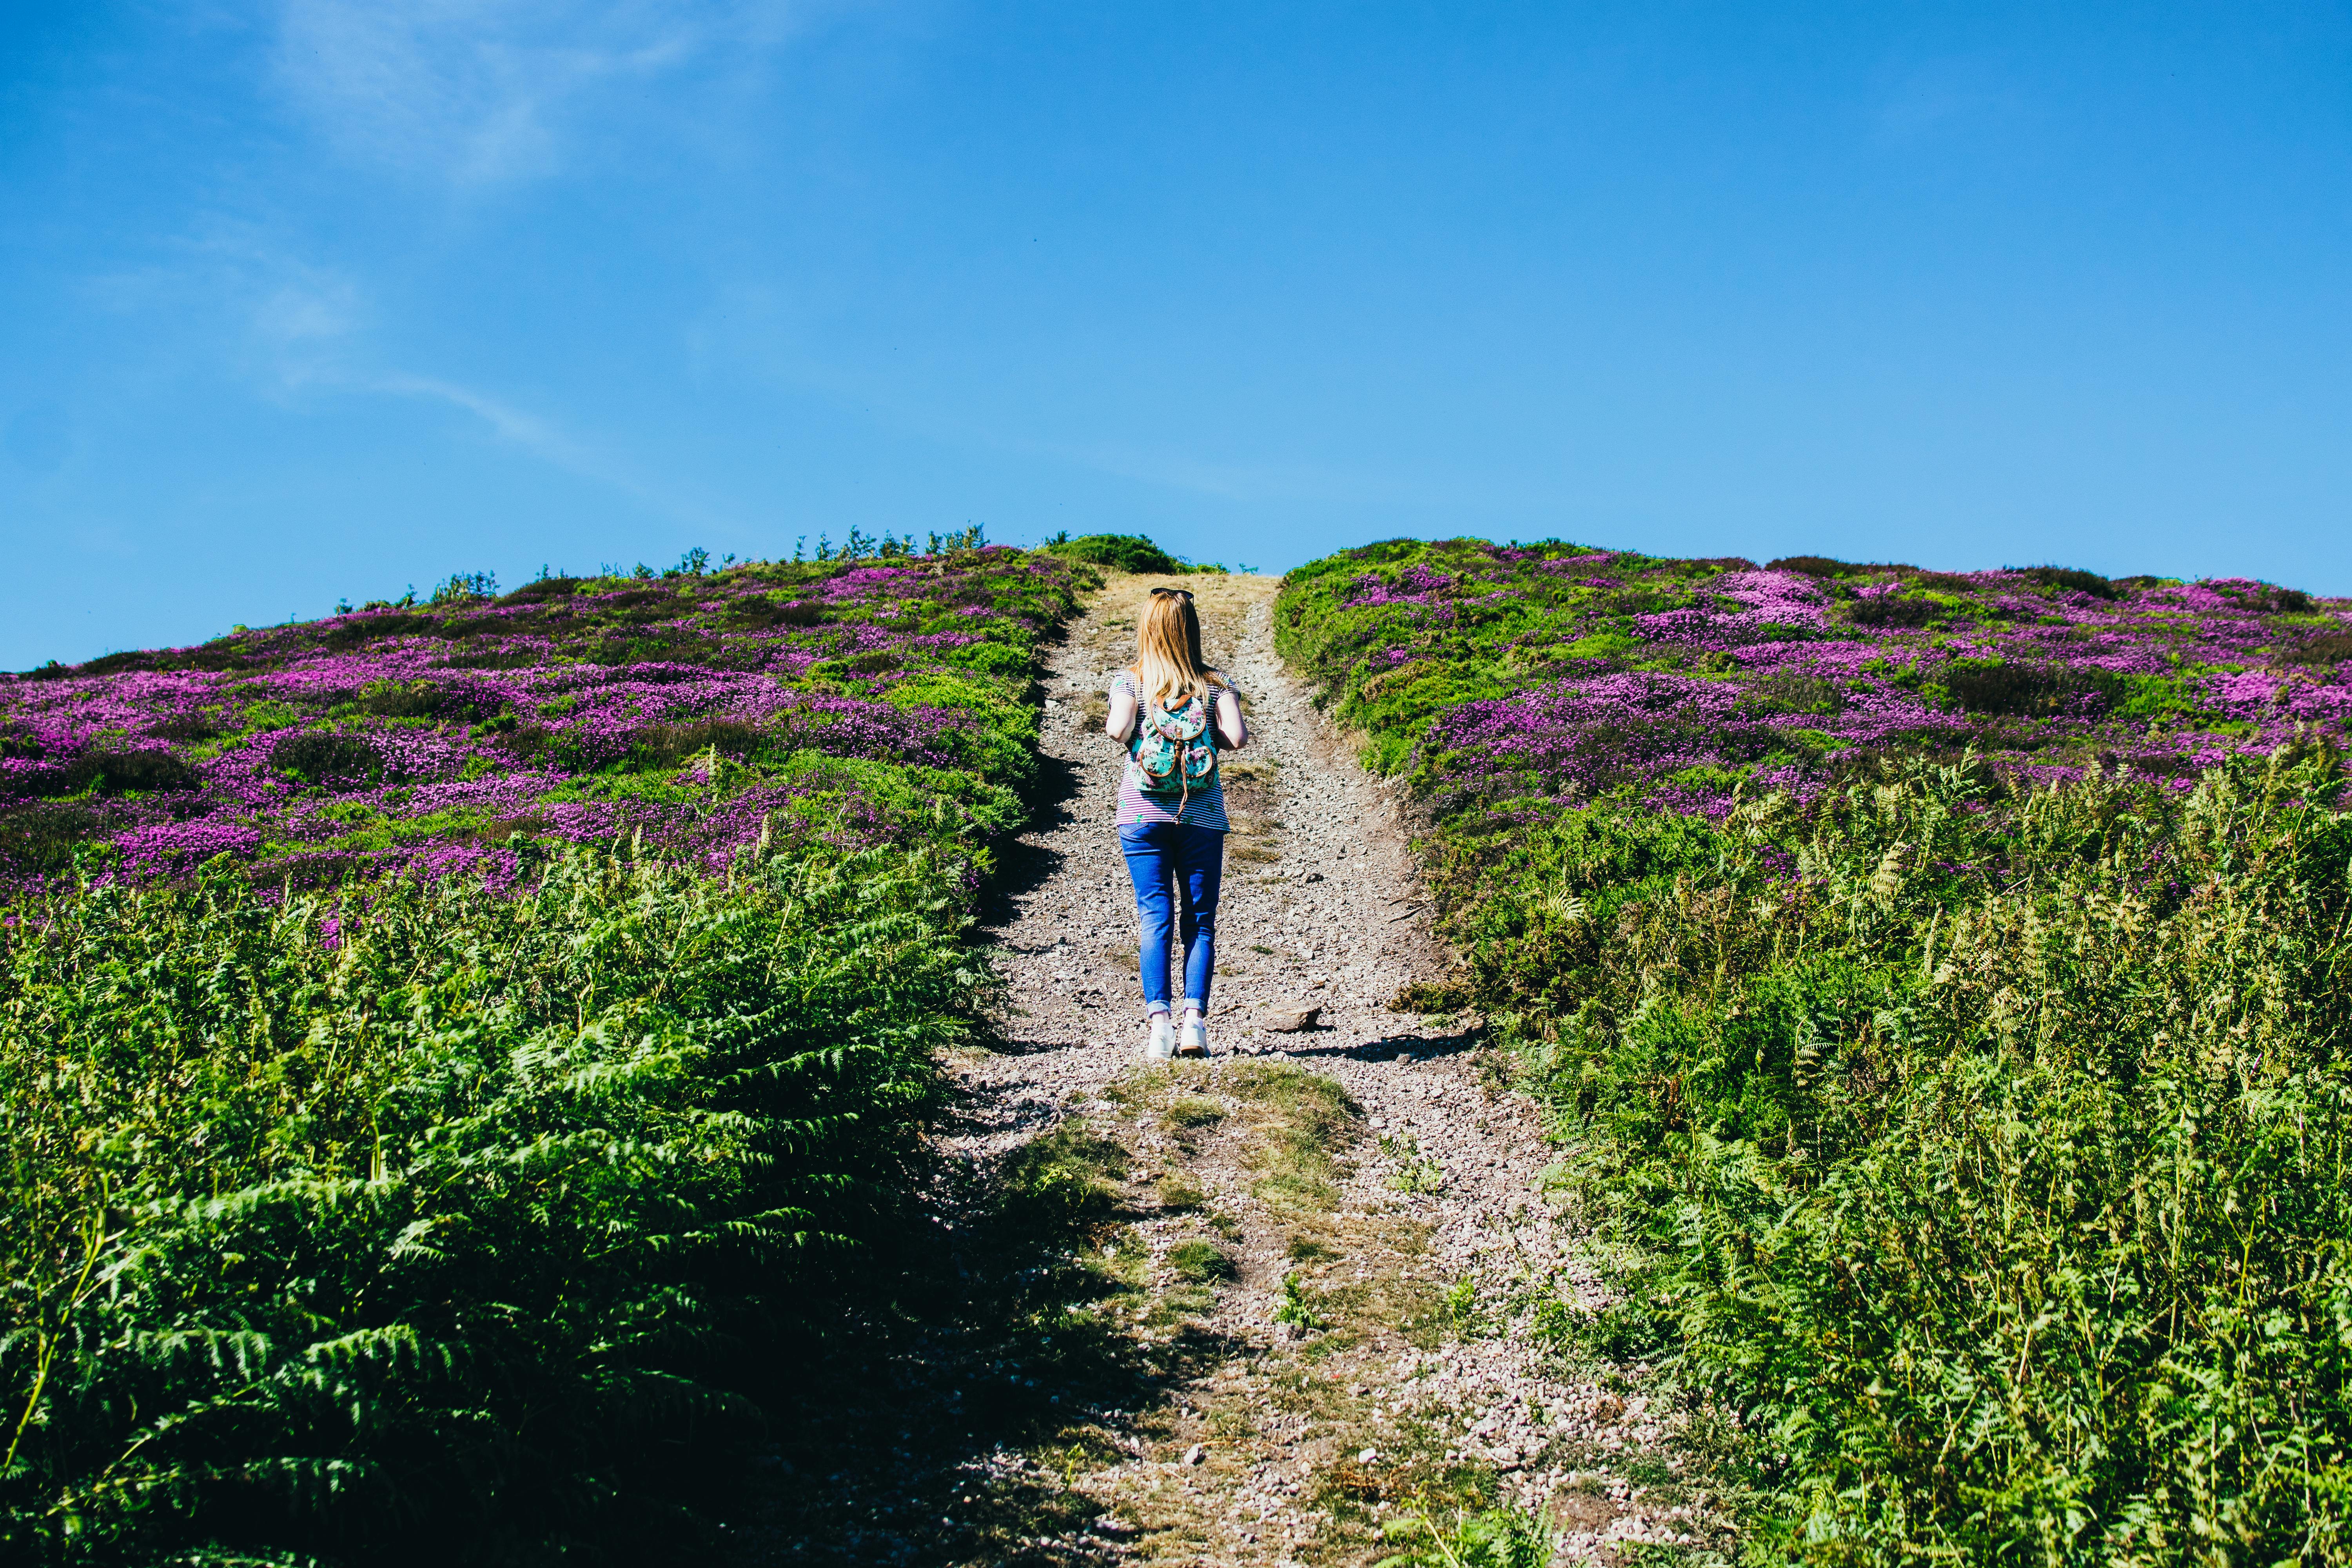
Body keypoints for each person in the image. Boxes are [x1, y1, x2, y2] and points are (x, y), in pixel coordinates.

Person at [1105, 586, 1249, 1059]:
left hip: (1142, 815)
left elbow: (1116, 730)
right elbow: (1237, 738)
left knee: (1155, 915)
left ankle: (1159, 1027)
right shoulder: (1216, 683)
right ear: (1190, 629)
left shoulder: (1132, 682)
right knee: (1201, 922)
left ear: (1148, 629)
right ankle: (1195, 1025)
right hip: (1202, 816)